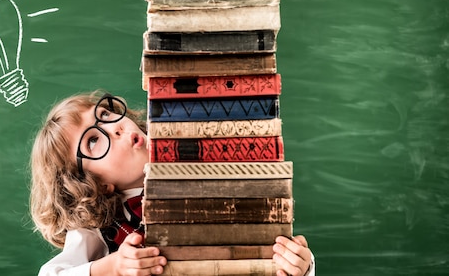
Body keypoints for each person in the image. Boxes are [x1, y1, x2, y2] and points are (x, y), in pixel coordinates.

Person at [30, 90, 315, 276]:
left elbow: (270, 252)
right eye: (93, 140)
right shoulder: (99, 228)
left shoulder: (209, 176)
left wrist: (301, 267)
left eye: (104, 115)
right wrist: (113, 266)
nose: (116, 126)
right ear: (92, 183)